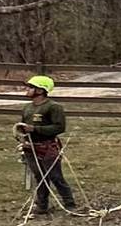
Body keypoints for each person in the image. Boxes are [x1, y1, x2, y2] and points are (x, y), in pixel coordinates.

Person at [16, 74, 76, 215]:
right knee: (40, 176)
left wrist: (36, 129)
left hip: (48, 147)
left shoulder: (53, 107)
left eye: (31, 87)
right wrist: (21, 134)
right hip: (31, 147)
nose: (27, 89)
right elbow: (23, 126)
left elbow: (59, 127)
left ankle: (70, 203)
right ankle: (42, 205)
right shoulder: (27, 108)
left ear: (41, 90)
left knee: (55, 176)